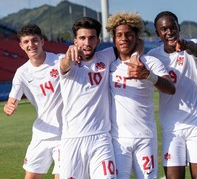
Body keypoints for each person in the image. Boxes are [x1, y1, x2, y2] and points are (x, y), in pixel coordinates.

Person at [59, 16, 144, 179]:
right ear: (75, 41)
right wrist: (68, 57)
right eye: (82, 38)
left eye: (91, 38)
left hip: (101, 139)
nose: (87, 43)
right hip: (73, 139)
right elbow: (64, 65)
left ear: (98, 41)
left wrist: (135, 55)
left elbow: (138, 42)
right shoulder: (67, 62)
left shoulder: (106, 56)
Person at [106, 12, 175, 178]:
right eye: (119, 35)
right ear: (114, 39)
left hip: (145, 137)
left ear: (136, 37)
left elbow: (170, 88)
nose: (124, 39)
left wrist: (148, 75)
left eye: (129, 34)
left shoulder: (150, 62)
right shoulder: (109, 63)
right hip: (118, 139)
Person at [148, 11, 197, 179]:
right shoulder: (153, 56)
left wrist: (186, 46)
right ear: (158, 33)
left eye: (172, 27)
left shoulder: (192, 45)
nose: (169, 32)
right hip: (172, 127)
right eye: (164, 29)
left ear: (178, 28)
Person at [3, 23, 63, 179]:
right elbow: (12, 100)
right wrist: (9, 107)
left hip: (65, 135)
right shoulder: (22, 72)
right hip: (41, 134)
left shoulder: (59, 61)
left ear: (42, 41)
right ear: (21, 46)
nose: (31, 45)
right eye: (26, 42)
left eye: (34, 40)